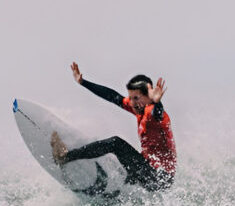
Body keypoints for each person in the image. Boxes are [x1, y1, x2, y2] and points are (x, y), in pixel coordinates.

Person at [50, 62, 176, 191]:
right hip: (147, 169)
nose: (132, 103)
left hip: (160, 178)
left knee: (116, 143)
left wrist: (157, 102)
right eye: (131, 97)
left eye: (136, 98)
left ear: (147, 97)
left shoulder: (154, 114)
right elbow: (113, 97)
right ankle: (123, 186)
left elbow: (158, 113)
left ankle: (65, 157)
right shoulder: (138, 107)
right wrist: (83, 82)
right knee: (115, 159)